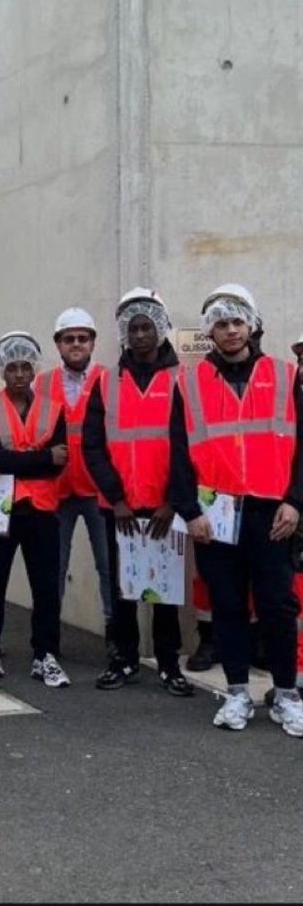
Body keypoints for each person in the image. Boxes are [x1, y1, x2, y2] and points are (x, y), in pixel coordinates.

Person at [173, 284, 302, 736]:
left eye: (237, 322)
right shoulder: (188, 383)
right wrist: (189, 511)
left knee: (278, 608)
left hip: (273, 514)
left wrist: (296, 502)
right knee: (227, 606)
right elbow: (177, 454)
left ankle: (286, 694)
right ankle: (237, 693)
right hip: (217, 514)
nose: (230, 330)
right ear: (210, 332)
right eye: (221, 324)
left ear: (251, 324)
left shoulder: (287, 375)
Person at [82, 289, 194, 696]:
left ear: (161, 329)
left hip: (166, 507)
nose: (141, 335)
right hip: (121, 507)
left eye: (148, 326)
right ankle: (124, 659)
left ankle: (168, 664)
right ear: (125, 335)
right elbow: (92, 446)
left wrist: (174, 502)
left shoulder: (182, 380)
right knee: (123, 587)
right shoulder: (106, 383)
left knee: (165, 589)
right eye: (134, 329)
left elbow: (190, 447)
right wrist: (117, 499)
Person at [0, 332, 70, 688]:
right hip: (1, 510)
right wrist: (40, 457)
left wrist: (14, 462)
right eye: (13, 367)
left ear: (34, 370)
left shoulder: (53, 410)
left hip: (41, 509)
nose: (20, 373)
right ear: (3, 371)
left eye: (26, 366)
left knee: (46, 585)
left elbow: (59, 464)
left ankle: (45, 654)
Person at [34, 308, 112, 649]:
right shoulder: (42, 383)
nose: (76, 344)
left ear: (93, 342)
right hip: (57, 491)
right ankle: (50, 638)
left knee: (109, 567)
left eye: (83, 338)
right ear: (58, 344)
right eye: (69, 339)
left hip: (99, 492)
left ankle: (115, 633)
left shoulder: (110, 379)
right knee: (53, 568)